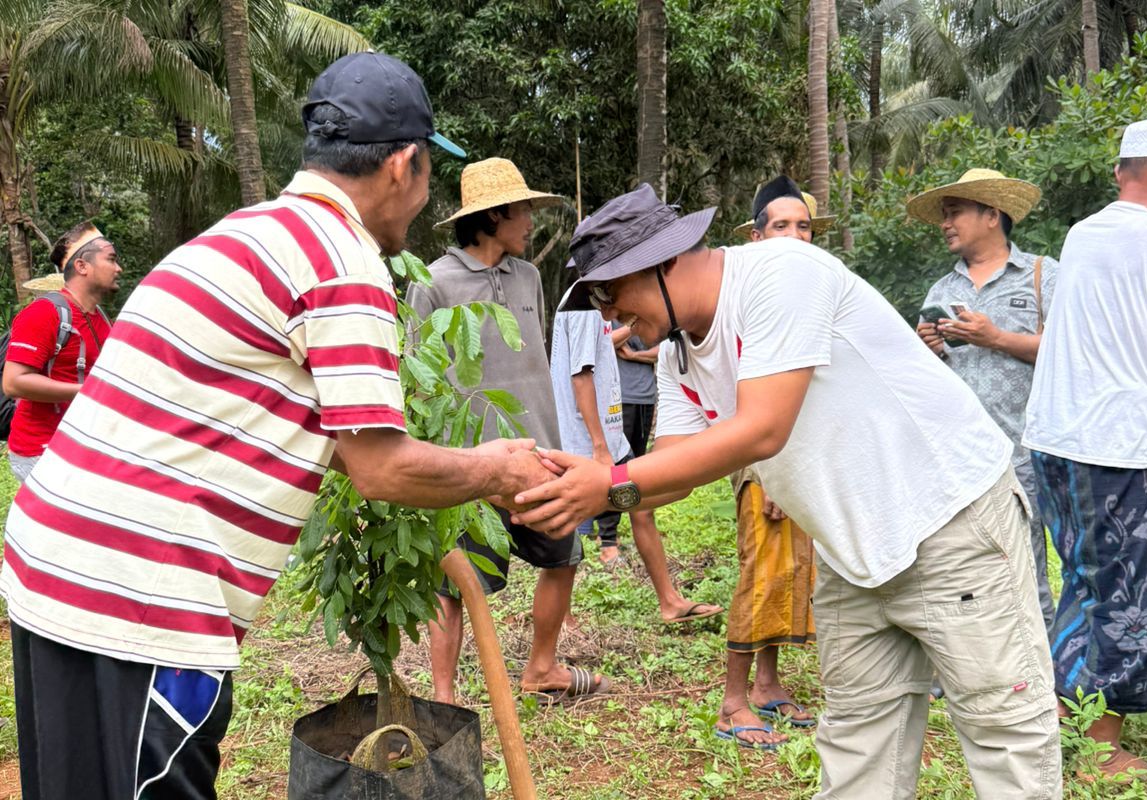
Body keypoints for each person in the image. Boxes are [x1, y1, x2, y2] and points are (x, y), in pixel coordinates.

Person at [0, 52, 557, 800]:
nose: (424, 199)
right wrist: (496, 470)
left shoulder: (250, 232)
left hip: (57, 569)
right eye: (428, 175)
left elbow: (286, 427)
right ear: (402, 165)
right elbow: (379, 466)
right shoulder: (343, 261)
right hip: (137, 602)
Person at [515, 184, 1061, 799]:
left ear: (663, 261)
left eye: (610, 294)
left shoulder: (780, 272)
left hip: (950, 522)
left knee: (1002, 732)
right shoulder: (677, 357)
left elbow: (762, 429)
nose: (609, 317)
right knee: (858, 739)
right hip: (851, 553)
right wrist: (569, 484)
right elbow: (669, 470)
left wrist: (609, 483)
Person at [1023, 117, 1147, 783]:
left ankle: (1062, 707)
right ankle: (1101, 751)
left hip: (1057, 439)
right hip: (1118, 444)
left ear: (1124, 173)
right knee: (1129, 592)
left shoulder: (1084, 233)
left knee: (1089, 579)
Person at [406, 156, 608, 705]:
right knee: (455, 586)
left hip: (539, 452)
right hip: (469, 464)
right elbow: (418, 377)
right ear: (494, 217)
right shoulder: (435, 284)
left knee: (563, 557)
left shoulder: (528, 277)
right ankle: (444, 698)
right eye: (523, 212)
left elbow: (531, 362)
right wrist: (447, 461)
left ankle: (541, 668)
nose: (531, 223)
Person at [910, 169, 1058, 631]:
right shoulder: (943, 291)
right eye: (945, 215)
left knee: (1031, 566)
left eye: (955, 213)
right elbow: (926, 378)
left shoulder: (1043, 275)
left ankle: (1046, 673)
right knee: (964, 565)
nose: (945, 223)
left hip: (1028, 450)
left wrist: (995, 338)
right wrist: (927, 351)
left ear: (992, 215)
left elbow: (1069, 354)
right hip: (959, 456)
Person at [718, 175, 830, 747]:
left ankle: (768, 684)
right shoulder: (747, 300)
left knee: (791, 574)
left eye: (803, 225)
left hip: (803, 458)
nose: (794, 235)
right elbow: (744, 402)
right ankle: (733, 700)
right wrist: (770, 473)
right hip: (764, 462)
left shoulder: (810, 294)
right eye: (781, 225)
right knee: (761, 574)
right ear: (758, 236)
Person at [550, 306, 721, 624]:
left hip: (612, 439)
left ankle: (669, 601)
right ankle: (562, 617)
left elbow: (601, 347)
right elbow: (581, 375)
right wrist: (598, 446)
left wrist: (632, 323)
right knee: (568, 523)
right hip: (588, 442)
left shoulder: (595, 313)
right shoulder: (582, 308)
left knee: (643, 503)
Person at [2, 223, 120, 482]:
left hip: (81, 447)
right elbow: (13, 382)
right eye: (111, 259)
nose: (118, 268)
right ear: (82, 266)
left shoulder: (100, 318)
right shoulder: (43, 313)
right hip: (41, 452)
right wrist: (89, 390)